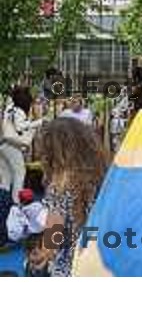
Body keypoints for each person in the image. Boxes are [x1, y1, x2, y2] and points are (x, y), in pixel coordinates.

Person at [26, 118, 107, 276]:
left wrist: (45, 253)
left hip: (71, 265)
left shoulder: (59, 187)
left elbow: (55, 230)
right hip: (99, 260)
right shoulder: (100, 178)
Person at [0, 87, 43, 202]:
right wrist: (39, 121)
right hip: (12, 146)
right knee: (20, 174)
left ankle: (3, 206)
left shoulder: (9, 108)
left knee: (6, 178)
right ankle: (16, 205)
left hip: (3, 145)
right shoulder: (19, 111)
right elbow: (20, 127)